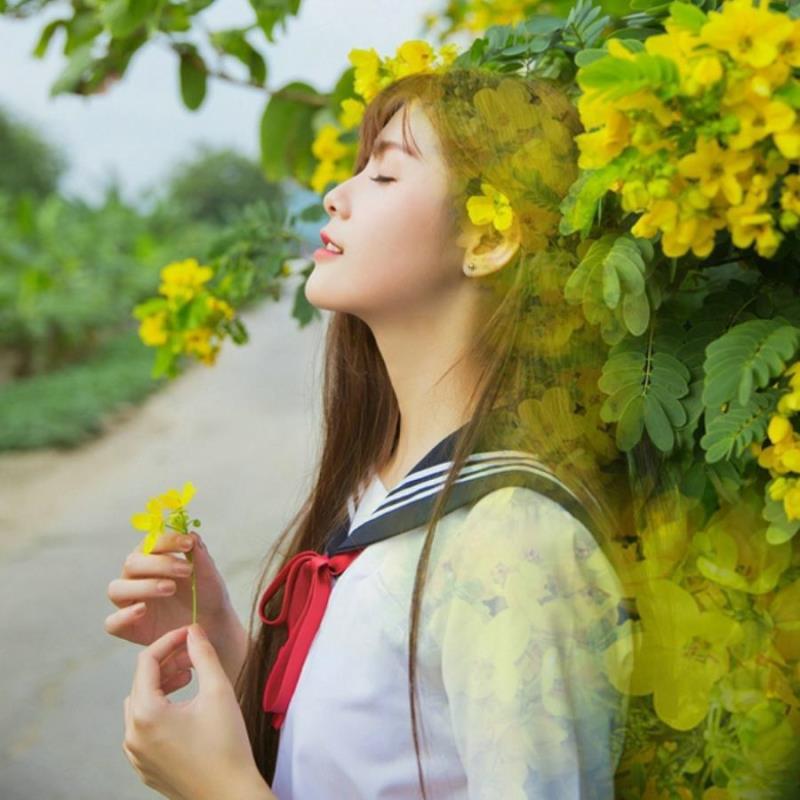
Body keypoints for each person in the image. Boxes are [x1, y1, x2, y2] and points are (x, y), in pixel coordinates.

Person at [106, 66, 634, 799]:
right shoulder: (379, 488)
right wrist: (219, 637)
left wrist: (219, 790)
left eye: (384, 174)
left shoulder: (513, 546)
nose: (336, 194)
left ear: (487, 237)